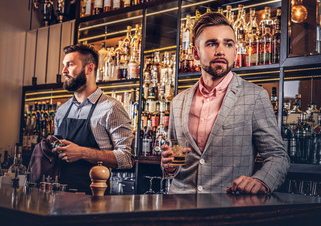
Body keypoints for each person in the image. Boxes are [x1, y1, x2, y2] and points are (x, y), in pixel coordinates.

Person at [161, 13, 290, 194]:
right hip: (180, 207)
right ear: (195, 53)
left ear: (235, 52)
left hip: (228, 206)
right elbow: (177, 155)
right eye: (212, 43)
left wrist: (261, 181)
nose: (221, 50)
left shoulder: (255, 97)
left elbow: (277, 156)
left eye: (228, 44)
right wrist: (171, 166)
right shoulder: (178, 101)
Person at [52, 44, 134, 193]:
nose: (64, 71)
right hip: (59, 194)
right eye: (64, 65)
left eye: (70, 65)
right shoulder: (62, 110)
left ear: (89, 68)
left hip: (95, 197)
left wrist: (82, 152)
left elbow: (126, 159)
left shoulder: (111, 108)